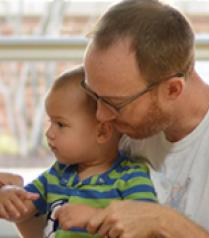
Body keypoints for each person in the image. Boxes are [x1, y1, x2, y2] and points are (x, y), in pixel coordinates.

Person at [59, 0, 209, 237]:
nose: (101, 115)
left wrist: (164, 222)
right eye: (93, 95)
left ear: (173, 89)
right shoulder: (126, 131)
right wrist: (27, 210)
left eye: (115, 103)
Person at [0, 66, 157, 237]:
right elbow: (22, 210)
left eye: (60, 124)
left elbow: (145, 227)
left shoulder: (131, 177)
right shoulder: (57, 173)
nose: (49, 133)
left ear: (102, 132)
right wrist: (8, 195)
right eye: (50, 122)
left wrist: (95, 217)